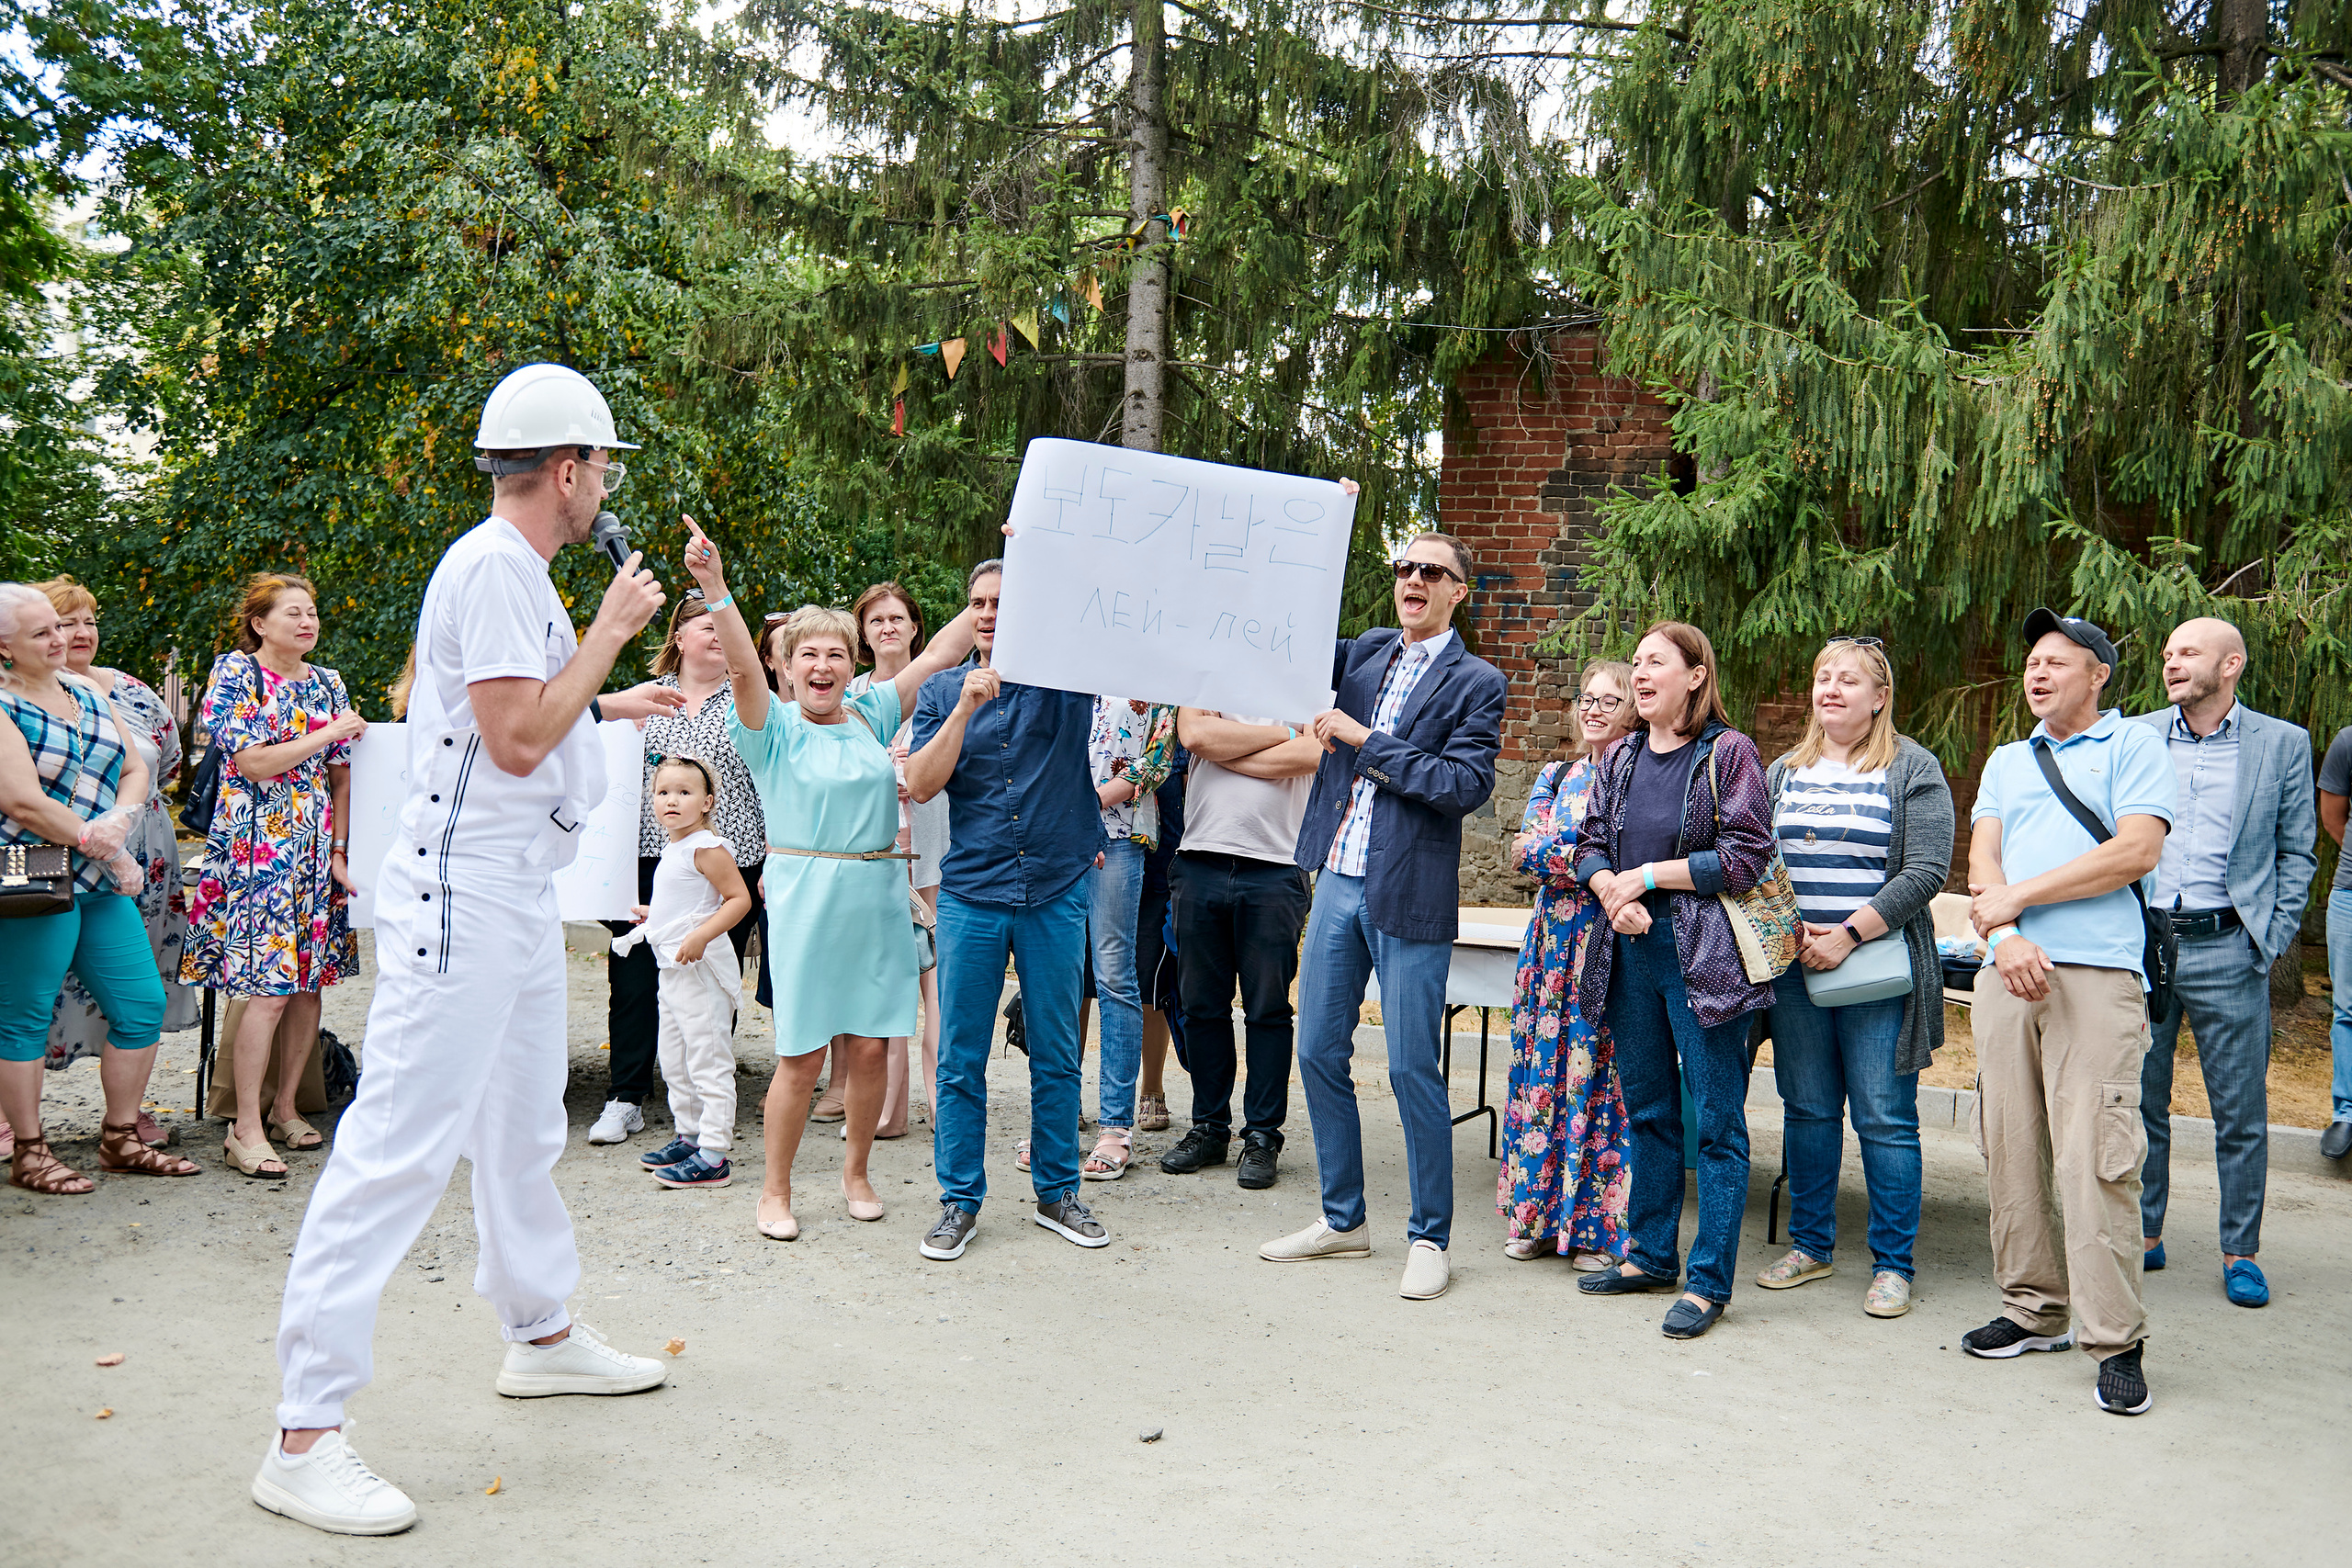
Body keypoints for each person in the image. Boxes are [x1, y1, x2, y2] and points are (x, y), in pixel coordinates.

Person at [254, 363, 684, 1536]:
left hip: (507, 890)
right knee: (396, 1144)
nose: (604, 490)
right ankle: (303, 1432)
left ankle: (538, 1331)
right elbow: (510, 738)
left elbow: (516, 715)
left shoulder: (514, 572)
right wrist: (609, 638)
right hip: (465, 896)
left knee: (519, 1122)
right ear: (566, 469)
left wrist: (605, 700)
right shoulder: (500, 567)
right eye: (600, 467)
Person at [678, 531, 978, 1242]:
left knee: (873, 1046)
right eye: (808, 653)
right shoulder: (770, 728)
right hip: (807, 900)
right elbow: (744, 672)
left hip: (877, 896)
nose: (823, 663)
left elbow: (940, 653)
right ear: (788, 665)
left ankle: (857, 1173)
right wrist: (717, 587)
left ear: (852, 666)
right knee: (802, 1054)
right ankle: (774, 1189)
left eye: (836, 653)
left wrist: (1001, 584)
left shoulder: (872, 714)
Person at [1258, 526, 1507, 1303]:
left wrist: (1369, 741)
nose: (1414, 579)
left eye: (1433, 570)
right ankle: (1343, 1218)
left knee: (1409, 1066)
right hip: (1336, 875)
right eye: (1405, 567)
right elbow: (1283, 637)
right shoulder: (1366, 652)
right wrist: (1317, 528)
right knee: (1318, 1048)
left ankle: (1430, 1236)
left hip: (1409, 889)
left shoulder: (1477, 681)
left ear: (1458, 591)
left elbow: (1463, 784)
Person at [1962, 608, 2175, 1417]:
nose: (2037, 673)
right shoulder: (2010, 760)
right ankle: (2031, 1307)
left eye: (2057, 661)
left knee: (2096, 1158)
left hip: (2096, 974)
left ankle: (2115, 1338)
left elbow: (2135, 850)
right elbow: (1984, 854)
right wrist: (2008, 929)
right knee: (2009, 1144)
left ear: (2099, 675)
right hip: (2007, 970)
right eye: (2031, 663)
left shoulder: (2134, 747)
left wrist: (2022, 896)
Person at [1569, 622, 1779, 1339]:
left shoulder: (1729, 752)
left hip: (1705, 959)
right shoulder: (1622, 754)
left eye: (1655, 660)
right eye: (1635, 661)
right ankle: (1650, 1254)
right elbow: (1589, 841)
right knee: (1650, 1110)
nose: (1639, 671)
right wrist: (1610, 891)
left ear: (1696, 674)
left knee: (1717, 1123)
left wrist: (1649, 877)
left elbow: (1747, 854)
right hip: (1629, 954)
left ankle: (1708, 1281)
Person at [908, 557, 1111, 1262]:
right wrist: (965, 705)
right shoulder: (941, 691)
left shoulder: (1064, 683)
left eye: (1003, 600)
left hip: (1055, 891)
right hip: (973, 892)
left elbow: (1107, 620)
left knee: (1055, 1054)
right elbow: (923, 783)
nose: (989, 612)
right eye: (977, 602)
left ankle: (1058, 1191)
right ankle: (959, 1201)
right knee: (960, 1058)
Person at [1755, 637, 1954, 1319]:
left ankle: (1893, 1263)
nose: (1831, 689)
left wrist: (1847, 933)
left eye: (1848, 680)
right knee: (1807, 1108)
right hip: (1794, 967)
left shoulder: (1911, 767)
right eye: (1822, 677)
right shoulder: (1783, 770)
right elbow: (1756, 861)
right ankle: (1810, 1245)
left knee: (1884, 1117)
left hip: (1876, 969)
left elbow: (1927, 869)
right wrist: (1793, 929)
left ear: (1880, 697)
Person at [2129, 617, 2315, 1307]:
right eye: (2168, 650)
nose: (2172, 662)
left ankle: (2242, 1249)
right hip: (2143, 944)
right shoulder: (2135, 734)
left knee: (2240, 1112)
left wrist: (2269, 936)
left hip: (2228, 946)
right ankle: (2145, 1233)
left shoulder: (2283, 744)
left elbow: (2298, 851)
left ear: (2230, 664)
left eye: (2189, 652)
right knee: (2139, 1098)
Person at [0, 583, 196, 1194]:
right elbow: (20, 800)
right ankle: (30, 1151)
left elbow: (136, 765)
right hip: (28, 870)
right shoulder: (3, 706)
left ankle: (119, 1138)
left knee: (140, 1003)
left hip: (100, 874)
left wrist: (121, 821)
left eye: (59, 628)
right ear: (5, 646)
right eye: (42, 632)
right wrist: (100, 839)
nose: (59, 639)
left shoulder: (85, 690)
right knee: (24, 1016)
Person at [181, 574, 365, 1179]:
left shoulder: (328, 681)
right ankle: (245, 1126)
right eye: (294, 612)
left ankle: (287, 1105)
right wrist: (328, 732)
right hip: (257, 851)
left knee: (308, 984)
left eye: (313, 611)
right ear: (260, 622)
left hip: (313, 853)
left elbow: (342, 776)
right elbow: (252, 761)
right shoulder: (236, 674)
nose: (308, 621)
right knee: (267, 988)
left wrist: (340, 849)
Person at [587, 593, 767, 1148]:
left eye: (723, 626)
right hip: (646, 857)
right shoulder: (641, 703)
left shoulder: (747, 699)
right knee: (636, 976)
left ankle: (703, 1099)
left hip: (728, 858)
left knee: (709, 973)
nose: (715, 634)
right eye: (702, 625)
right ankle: (626, 1096)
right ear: (679, 637)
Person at [1497, 658, 1638, 1268]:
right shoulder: (1557, 775)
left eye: (1610, 700)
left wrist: (1569, 853)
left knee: (1600, 1078)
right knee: (1540, 1078)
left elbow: (1634, 852)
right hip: (1550, 945)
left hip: (1608, 944)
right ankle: (1534, 1218)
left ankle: (1591, 1230)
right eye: (1587, 698)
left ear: (1633, 710)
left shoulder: (1639, 777)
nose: (1593, 709)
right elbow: (1520, 849)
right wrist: (1586, 855)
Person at [1159, 707, 1319, 1187]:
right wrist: (1283, 735)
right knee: (1201, 1006)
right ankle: (1209, 1128)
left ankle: (1263, 1136)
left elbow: (1313, 752)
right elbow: (1196, 735)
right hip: (1200, 860)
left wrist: (1230, 748)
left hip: (1276, 866)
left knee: (1268, 1009)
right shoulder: (1212, 669)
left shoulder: (1310, 682)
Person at [612, 754, 754, 1189]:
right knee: (675, 1059)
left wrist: (701, 936)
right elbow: (691, 902)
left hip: (698, 971)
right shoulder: (674, 847)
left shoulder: (706, 847)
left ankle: (713, 1154)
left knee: (708, 1060)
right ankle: (689, 1135)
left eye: (685, 792)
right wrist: (656, 916)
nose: (672, 800)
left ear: (708, 801)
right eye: (663, 792)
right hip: (670, 971)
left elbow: (737, 900)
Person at [846, 581, 948, 1139]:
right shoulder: (851, 692)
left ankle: (942, 1101)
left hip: (933, 842)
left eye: (897, 618)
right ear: (863, 633)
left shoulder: (942, 685)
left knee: (935, 972)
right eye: (876, 620)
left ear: (915, 628)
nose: (887, 628)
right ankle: (888, 1109)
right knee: (884, 974)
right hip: (873, 852)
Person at [1080, 694, 1178, 1179]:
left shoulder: (1154, 668)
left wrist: (1088, 802)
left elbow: (1158, 759)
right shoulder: (1063, 660)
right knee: (1055, 975)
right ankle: (1053, 1123)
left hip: (1118, 837)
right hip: (1050, 834)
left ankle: (1115, 1126)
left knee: (1115, 975)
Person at [2322, 725, 2352, 1162]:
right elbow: (2333, 817)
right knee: (2348, 1009)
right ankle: (2347, 1112)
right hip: (2351, 896)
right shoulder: (2349, 741)